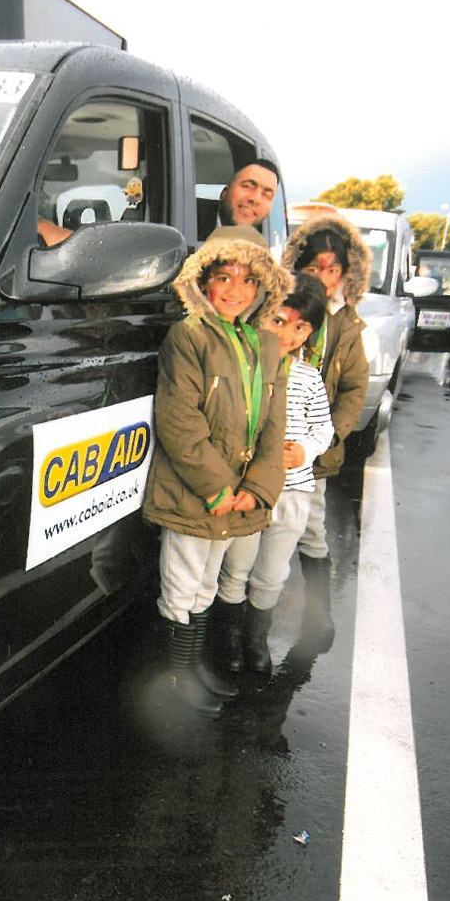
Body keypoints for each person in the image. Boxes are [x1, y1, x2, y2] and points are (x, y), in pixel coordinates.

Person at [141, 225, 292, 718]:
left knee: (207, 584)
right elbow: (179, 420)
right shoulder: (188, 337)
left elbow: (274, 424)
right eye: (223, 276)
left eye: (249, 281)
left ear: (264, 290)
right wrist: (219, 487)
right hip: (195, 493)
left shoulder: (263, 346)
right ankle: (177, 677)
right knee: (182, 585)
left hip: (237, 497)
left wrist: (258, 489)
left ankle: (196, 668)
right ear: (202, 281)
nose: (235, 290)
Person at [212, 274, 334, 675]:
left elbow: (323, 428)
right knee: (236, 566)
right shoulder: (242, 368)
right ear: (261, 316)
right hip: (248, 489)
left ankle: (255, 639)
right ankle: (228, 639)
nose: (288, 334)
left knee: (272, 571)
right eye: (278, 321)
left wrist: (305, 451)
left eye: (300, 327)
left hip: (294, 490)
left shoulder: (308, 376)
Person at [281, 213, 371, 652]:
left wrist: (327, 437)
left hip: (313, 453)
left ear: (344, 275)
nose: (323, 277)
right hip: (270, 447)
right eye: (313, 268)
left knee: (311, 529)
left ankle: (319, 614)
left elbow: (354, 387)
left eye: (332, 269)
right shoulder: (283, 312)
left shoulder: (347, 325)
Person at [197, 159, 280, 238]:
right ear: (224, 193)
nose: (255, 199)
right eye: (247, 186)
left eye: (266, 195)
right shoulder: (190, 218)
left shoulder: (260, 248)